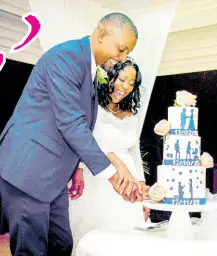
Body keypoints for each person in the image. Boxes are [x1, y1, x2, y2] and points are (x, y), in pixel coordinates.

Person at [0, 12, 147, 256]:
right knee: (31, 249)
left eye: (126, 54)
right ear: (101, 34)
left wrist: (76, 167)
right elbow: (71, 124)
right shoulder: (66, 57)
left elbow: (76, 126)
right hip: (29, 170)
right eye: (121, 50)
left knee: (62, 244)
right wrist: (113, 175)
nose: (122, 58)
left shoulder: (88, 67)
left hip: (54, 176)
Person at [69, 59, 150, 255]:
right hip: (98, 173)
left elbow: (134, 150)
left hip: (127, 179)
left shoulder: (133, 114)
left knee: (126, 236)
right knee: (95, 232)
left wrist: (142, 184)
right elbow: (88, 140)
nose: (125, 87)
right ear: (111, 77)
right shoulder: (94, 106)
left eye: (131, 83)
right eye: (122, 79)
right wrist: (78, 170)